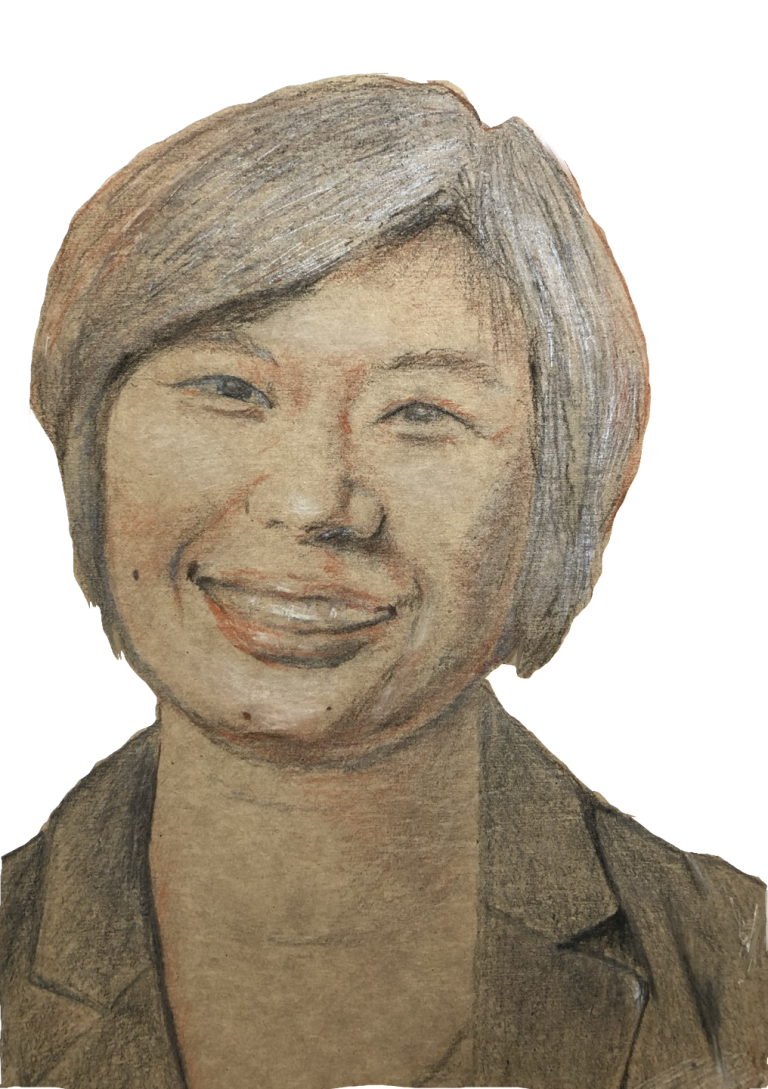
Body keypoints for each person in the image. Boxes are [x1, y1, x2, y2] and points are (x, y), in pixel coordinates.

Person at [3, 75, 765, 1089]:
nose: (313, 500)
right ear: (90, 446)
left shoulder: (737, 973)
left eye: (421, 413)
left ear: (557, 490)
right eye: (230, 388)